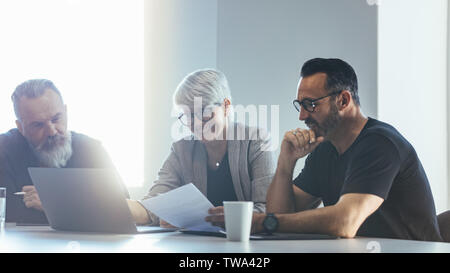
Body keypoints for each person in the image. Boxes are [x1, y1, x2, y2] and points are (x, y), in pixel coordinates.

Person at [247, 58, 442, 241]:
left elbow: (345, 222)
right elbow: (281, 217)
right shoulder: (325, 149)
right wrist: (285, 163)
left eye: (311, 104)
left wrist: (265, 221)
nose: (302, 116)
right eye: (300, 105)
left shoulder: (379, 144)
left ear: (343, 100)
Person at [127, 69, 275, 227]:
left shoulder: (255, 141)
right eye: (189, 116)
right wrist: (109, 202)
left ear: (226, 106)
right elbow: (152, 208)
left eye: (204, 112)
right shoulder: (182, 149)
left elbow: (267, 209)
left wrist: (218, 219)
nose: (196, 124)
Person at [0, 79, 129, 224]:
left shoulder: (91, 149)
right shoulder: (3, 150)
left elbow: (125, 210)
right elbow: (8, 216)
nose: (52, 131)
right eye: (38, 125)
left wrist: (57, 203)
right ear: (20, 127)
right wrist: (85, 204)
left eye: (56, 118)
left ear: (66, 111)